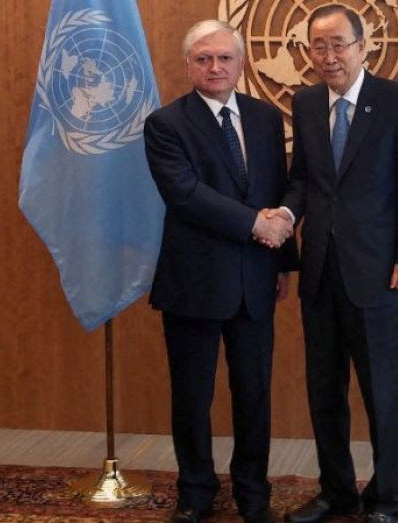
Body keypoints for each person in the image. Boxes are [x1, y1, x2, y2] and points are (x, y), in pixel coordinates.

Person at [270, 5, 398, 523]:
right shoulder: (306, 102)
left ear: (364, 46)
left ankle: (387, 497)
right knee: (324, 390)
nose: (329, 56)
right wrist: (285, 215)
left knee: (382, 392)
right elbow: (303, 179)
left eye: (339, 44)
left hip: (380, 270)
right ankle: (336, 492)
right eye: (318, 46)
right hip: (321, 269)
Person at [143, 20, 298, 523]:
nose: (215, 67)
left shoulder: (265, 118)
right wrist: (256, 224)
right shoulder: (166, 124)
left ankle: (254, 493)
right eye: (204, 58)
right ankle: (195, 493)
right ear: (188, 65)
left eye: (225, 58)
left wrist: (282, 261)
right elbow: (185, 194)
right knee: (192, 396)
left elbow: (277, 187)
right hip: (194, 282)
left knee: (253, 394)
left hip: (256, 279)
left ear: (241, 64)